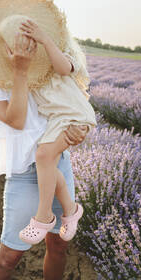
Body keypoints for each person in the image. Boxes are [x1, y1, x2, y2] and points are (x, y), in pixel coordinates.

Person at [0, 33, 89, 279]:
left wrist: (79, 128)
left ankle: (68, 213)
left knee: (59, 246)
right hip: (24, 173)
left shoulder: (44, 69)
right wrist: (20, 71)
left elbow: (71, 103)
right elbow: (17, 120)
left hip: (58, 164)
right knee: (8, 257)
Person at [16, 17, 97, 245]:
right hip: (57, 120)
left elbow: (63, 68)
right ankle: (71, 211)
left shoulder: (63, 59)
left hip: (74, 116)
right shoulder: (33, 76)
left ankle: (43, 218)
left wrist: (45, 40)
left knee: (43, 156)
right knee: (48, 165)